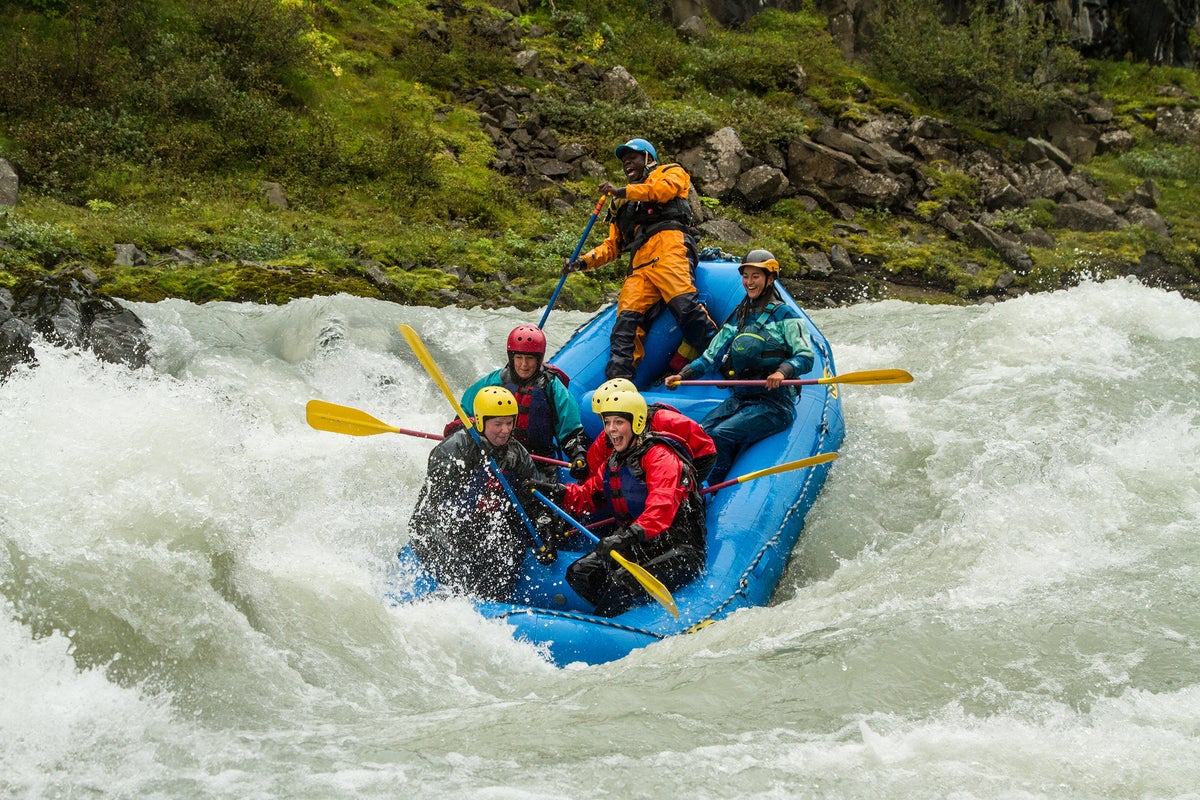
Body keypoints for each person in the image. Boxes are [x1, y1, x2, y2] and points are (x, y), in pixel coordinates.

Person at [530, 388, 707, 617]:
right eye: (608, 422)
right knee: (580, 572)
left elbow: (660, 509)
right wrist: (556, 492)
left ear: (636, 423)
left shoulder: (660, 457)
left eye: (619, 422)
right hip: (640, 544)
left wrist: (624, 536)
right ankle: (622, 612)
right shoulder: (614, 461)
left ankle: (613, 616)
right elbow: (588, 496)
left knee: (621, 582)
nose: (611, 430)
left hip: (679, 548)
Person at [563, 137, 716, 380]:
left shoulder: (670, 172)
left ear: (648, 158)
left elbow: (661, 192)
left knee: (685, 307)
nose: (627, 163)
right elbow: (612, 246)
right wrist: (582, 262)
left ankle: (722, 356)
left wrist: (622, 191)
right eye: (624, 161)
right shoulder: (620, 202)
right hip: (640, 265)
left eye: (632, 157)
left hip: (669, 246)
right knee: (625, 327)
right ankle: (618, 383)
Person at [665, 249, 815, 485]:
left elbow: (806, 355)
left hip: (774, 403)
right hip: (742, 398)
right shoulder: (740, 316)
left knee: (719, 435)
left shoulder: (785, 315)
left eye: (755, 276)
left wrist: (781, 371)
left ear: (770, 278)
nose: (749, 282)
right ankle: (697, 480)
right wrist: (682, 375)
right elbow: (710, 357)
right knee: (702, 432)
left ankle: (713, 486)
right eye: (746, 276)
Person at [408, 386, 544, 601]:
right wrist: (475, 463)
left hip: (478, 524)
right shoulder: (454, 448)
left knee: (511, 549)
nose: (505, 430)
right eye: (498, 424)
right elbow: (436, 504)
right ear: (480, 422)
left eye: (509, 423)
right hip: (435, 525)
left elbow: (533, 499)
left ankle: (492, 603)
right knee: (463, 564)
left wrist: (544, 529)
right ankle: (447, 600)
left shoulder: (516, 453)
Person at [460, 325, 590, 480]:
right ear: (511, 357)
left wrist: (578, 455)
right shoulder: (495, 381)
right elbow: (465, 413)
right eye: (519, 358)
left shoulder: (551, 386)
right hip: (499, 453)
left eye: (529, 358)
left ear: (539, 359)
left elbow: (570, 429)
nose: (524, 364)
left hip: (539, 461)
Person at [584, 377, 717, 482]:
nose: (610, 427)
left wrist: (690, 482)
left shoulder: (665, 420)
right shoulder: (607, 436)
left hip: (671, 478)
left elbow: (706, 450)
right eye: (605, 419)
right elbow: (592, 467)